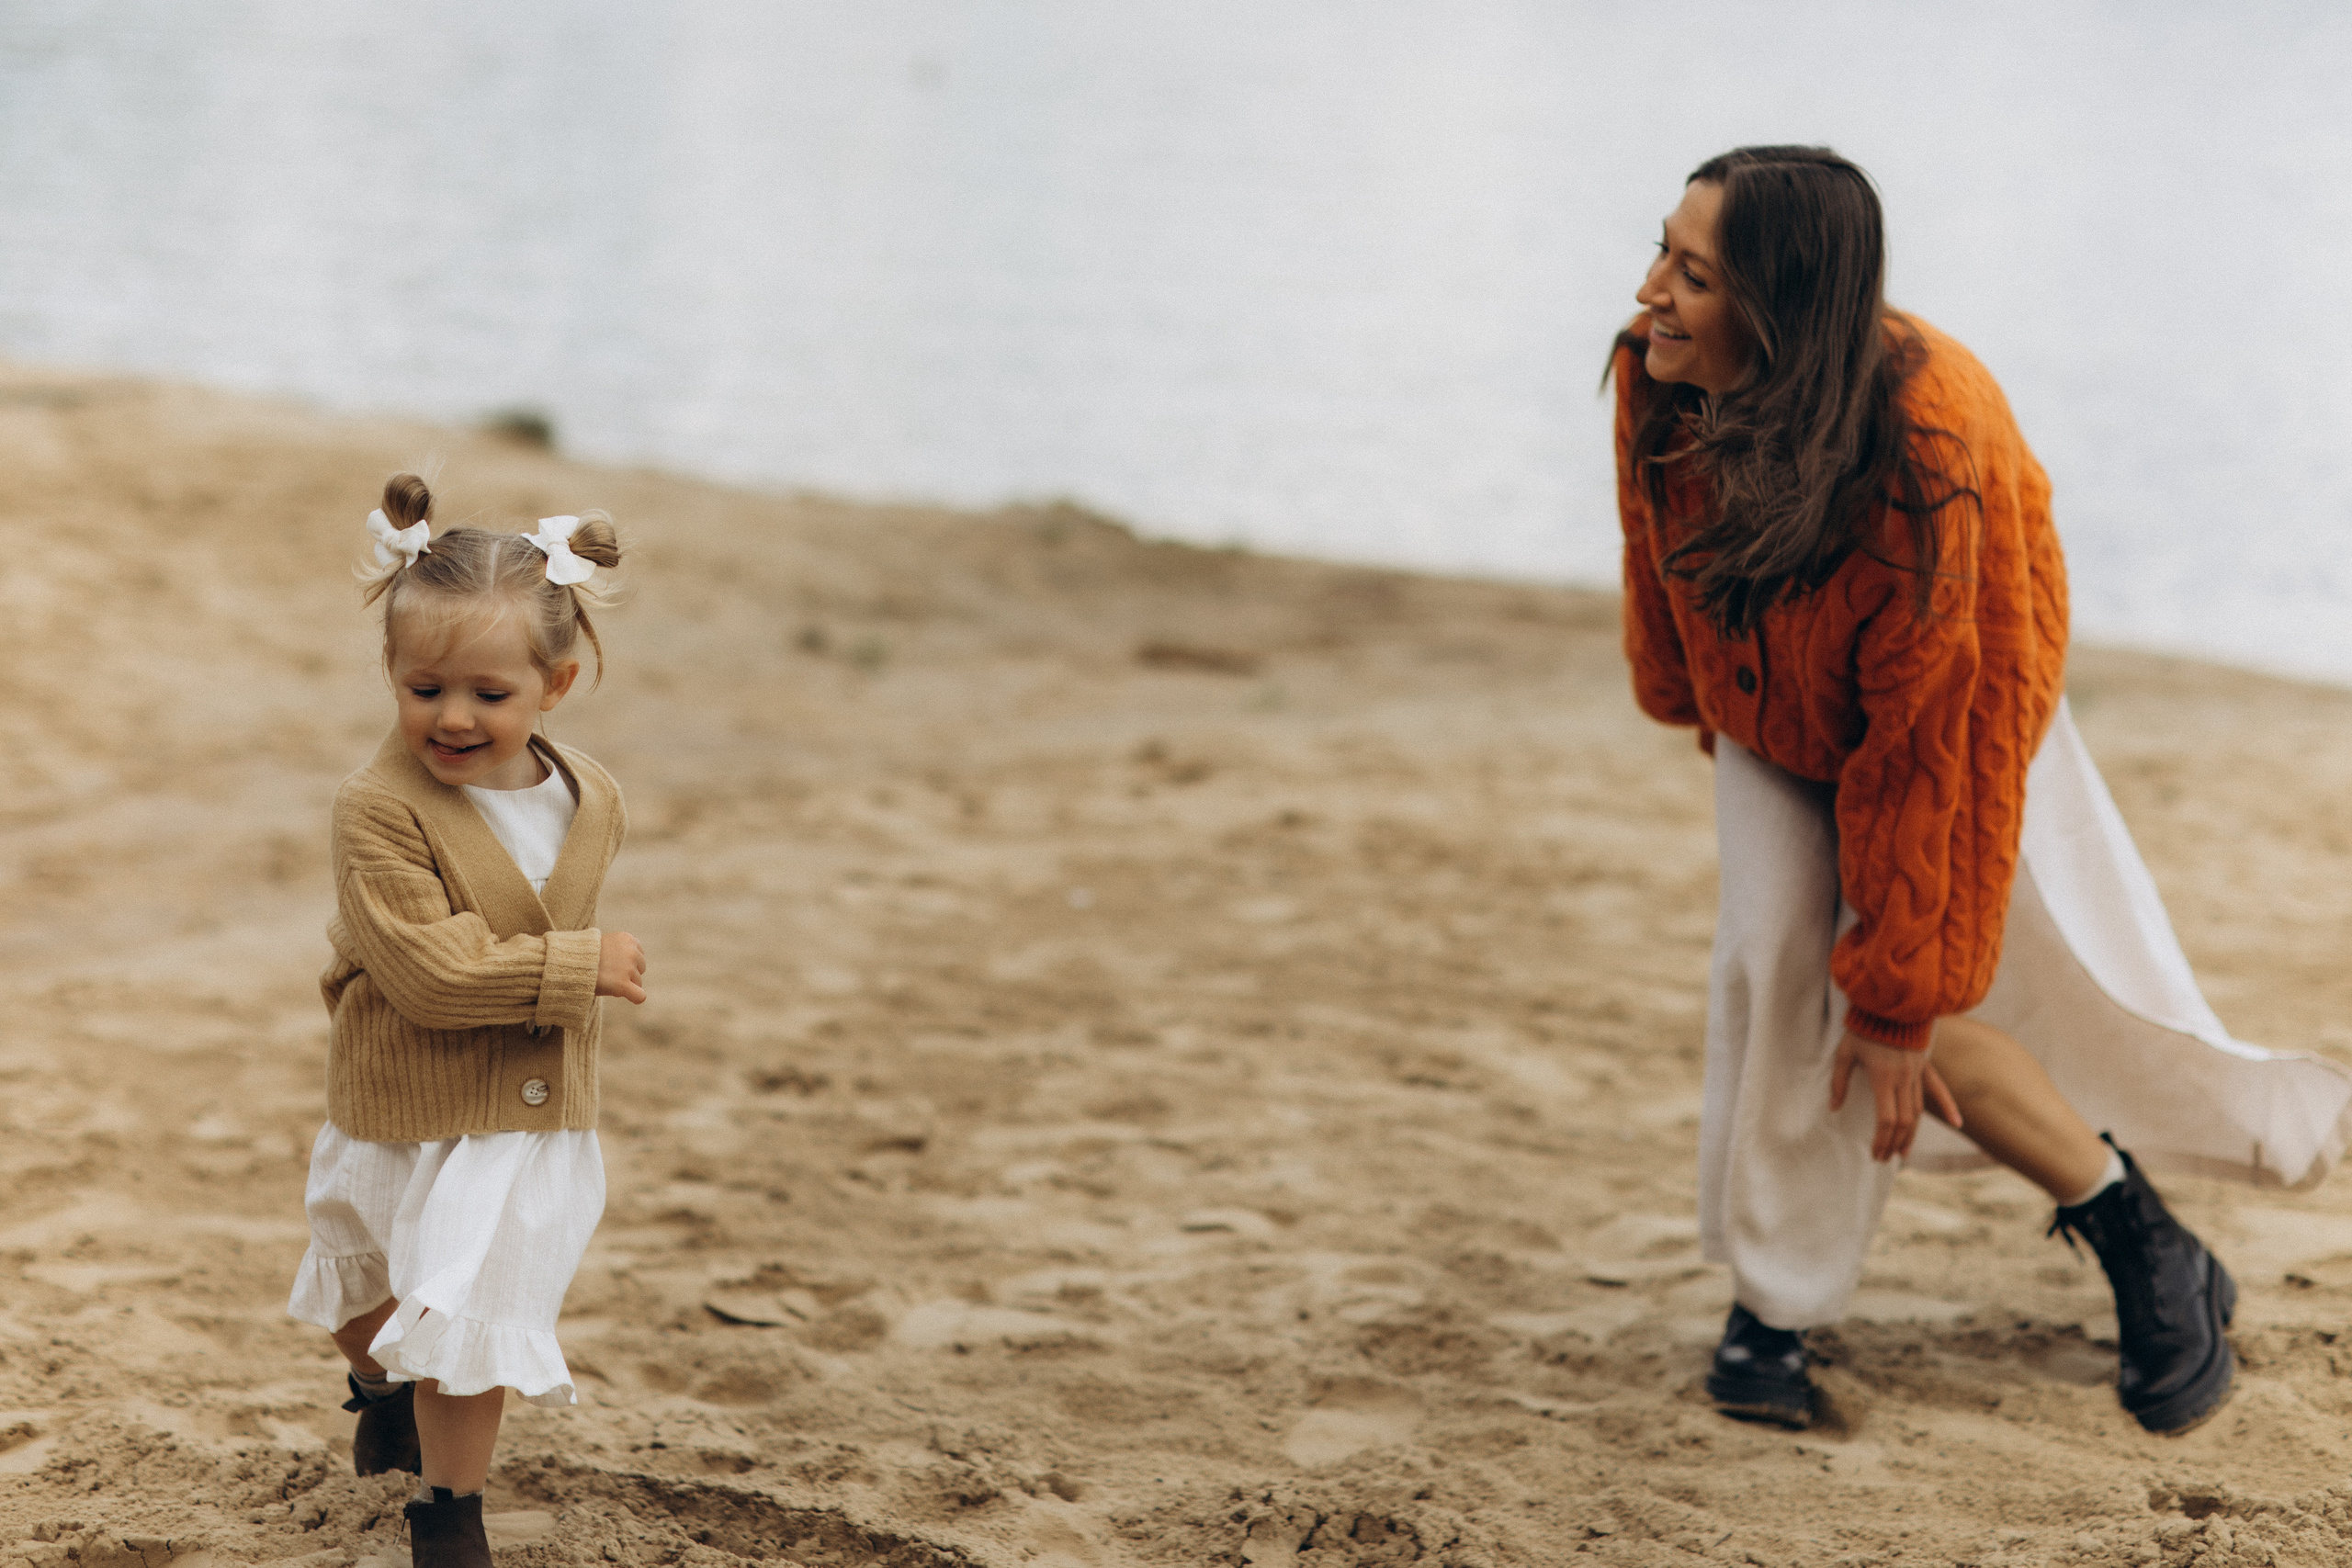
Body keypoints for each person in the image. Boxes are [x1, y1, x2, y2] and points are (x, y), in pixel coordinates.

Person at [1610, 145, 2352, 1436]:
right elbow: (1655, 554)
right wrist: (1692, 701)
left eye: (1695, 274)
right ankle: (1776, 1307)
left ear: (1780, 305)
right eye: (1660, 251)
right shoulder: (1655, 372)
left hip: (1963, 708)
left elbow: (1925, 749)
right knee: (1777, 970)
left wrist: (1896, 1000)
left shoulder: (1922, 450)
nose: (1650, 291)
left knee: (1897, 1010)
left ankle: (2138, 1234)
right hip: (1773, 713)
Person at [286, 475, 648, 1567]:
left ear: (555, 685)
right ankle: (374, 1389)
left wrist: (562, 979)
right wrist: (577, 966)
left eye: (489, 693)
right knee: (364, 1294)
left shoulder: (591, 797)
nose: (453, 716)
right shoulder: (377, 807)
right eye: (424, 687)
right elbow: (431, 975)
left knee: (464, 1320)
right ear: (391, 672)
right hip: (397, 1096)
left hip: (523, 1115)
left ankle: (450, 1519)